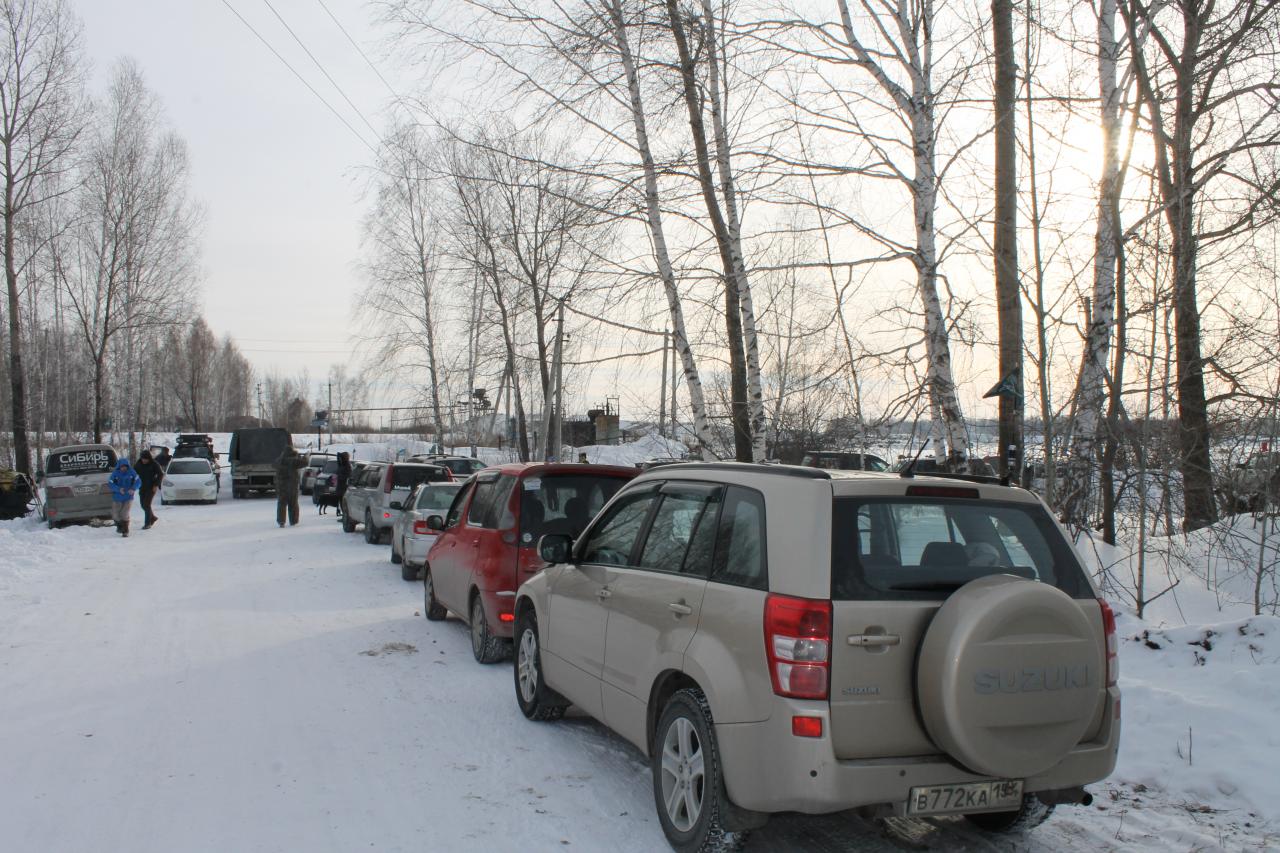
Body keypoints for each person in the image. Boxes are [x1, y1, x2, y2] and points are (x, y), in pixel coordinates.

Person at [273, 445, 307, 527]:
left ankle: (281, 521)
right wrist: (305, 457)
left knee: (281, 504)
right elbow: (305, 463)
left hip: (281, 486)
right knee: (293, 504)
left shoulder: (279, 460)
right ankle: (293, 521)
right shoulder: (293, 461)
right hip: (292, 486)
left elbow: (273, 465)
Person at [107, 458, 141, 537]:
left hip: (128, 497)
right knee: (115, 515)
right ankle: (119, 526)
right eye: (122, 466)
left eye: (125, 466)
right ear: (119, 466)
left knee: (124, 513)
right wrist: (118, 489)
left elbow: (138, 481)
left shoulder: (132, 472)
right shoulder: (115, 473)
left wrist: (133, 488)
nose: (124, 468)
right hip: (117, 497)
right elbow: (110, 484)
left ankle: (125, 530)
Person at [134, 450, 164, 530]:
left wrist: (156, 485)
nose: (144, 460)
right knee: (142, 505)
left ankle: (147, 523)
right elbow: (133, 473)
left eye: (146, 459)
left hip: (151, 487)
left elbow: (161, 474)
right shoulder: (138, 464)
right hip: (141, 487)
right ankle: (152, 517)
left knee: (146, 505)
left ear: (149, 458)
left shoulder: (154, 464)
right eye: (143, 459)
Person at [333, 452, 352, 519]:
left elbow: (348, 475)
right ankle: (344, 516)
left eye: (341, 458)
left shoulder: (347, 466)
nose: (340, 459)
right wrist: (338, 456)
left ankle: (345, 517)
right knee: (341, 501)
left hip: (344, 487)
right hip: (340, 486)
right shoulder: (342, 465)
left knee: (343, 502)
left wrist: (340, 476)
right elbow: (339, 465)